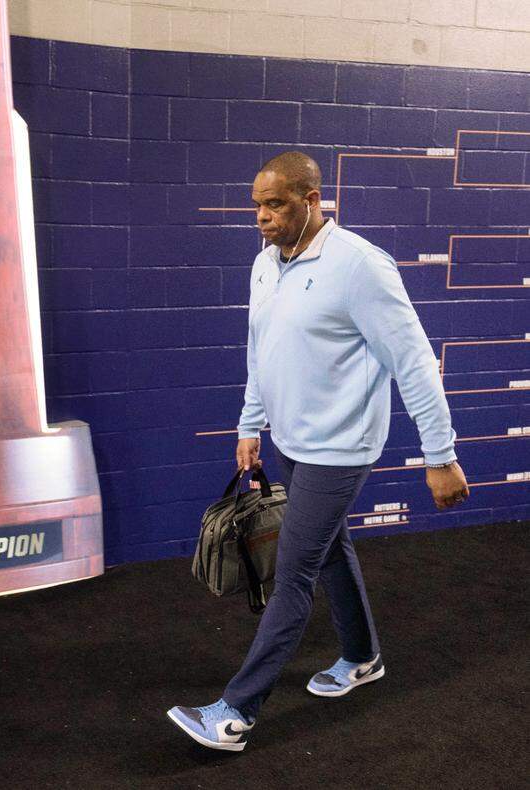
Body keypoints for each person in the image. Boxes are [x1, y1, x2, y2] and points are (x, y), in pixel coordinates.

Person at [167, 152, 470, 751]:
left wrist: (440, 454)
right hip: (291, 442)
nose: (261, 216)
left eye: (275, 203)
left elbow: (412, 362)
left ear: (312, 201)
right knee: (331, 551)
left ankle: (235, 713)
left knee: (294, 571)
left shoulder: (359, 266)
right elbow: (262, 350)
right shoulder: (264, 265)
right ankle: (362, 657)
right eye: (256, 204)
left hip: (341, 448)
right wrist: (250, 423)